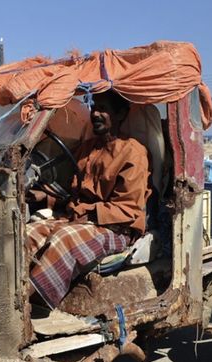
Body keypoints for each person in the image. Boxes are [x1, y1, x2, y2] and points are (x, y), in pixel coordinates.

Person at [26, 91, 151, 308]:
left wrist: (86, 212)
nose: (95, 114)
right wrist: (44, 196)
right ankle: (12, 288)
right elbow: (73, 193)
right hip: (79, 218)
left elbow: (128, 209)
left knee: (65, 237)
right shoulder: (87, 148)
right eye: (94, 107)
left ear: (121, 114)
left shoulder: (133, 152)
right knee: (28, 232)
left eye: (104, 109)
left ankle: (26, 301)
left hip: (116, 228)